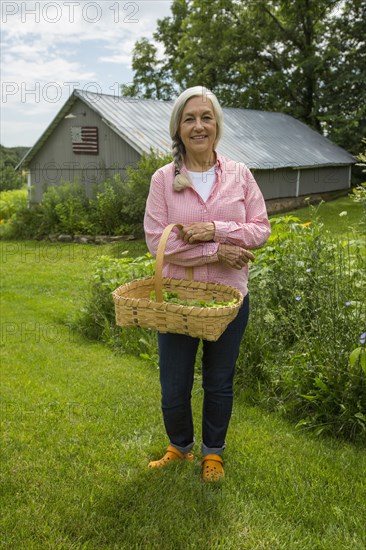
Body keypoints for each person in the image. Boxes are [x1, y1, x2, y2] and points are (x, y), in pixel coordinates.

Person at [143, 86, 270, 481]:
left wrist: (215, 229)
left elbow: (260, 229)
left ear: (217, 125)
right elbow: (158, 241)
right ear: (178, 128)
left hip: (230, 299)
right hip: (178, 300)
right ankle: (179, 447)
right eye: (189, 118)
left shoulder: (240, 175)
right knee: (173, 384)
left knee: (218, 381)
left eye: (206, 117)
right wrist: (218, 251)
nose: (199, 126)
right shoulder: (164, 180)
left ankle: (212, 453)